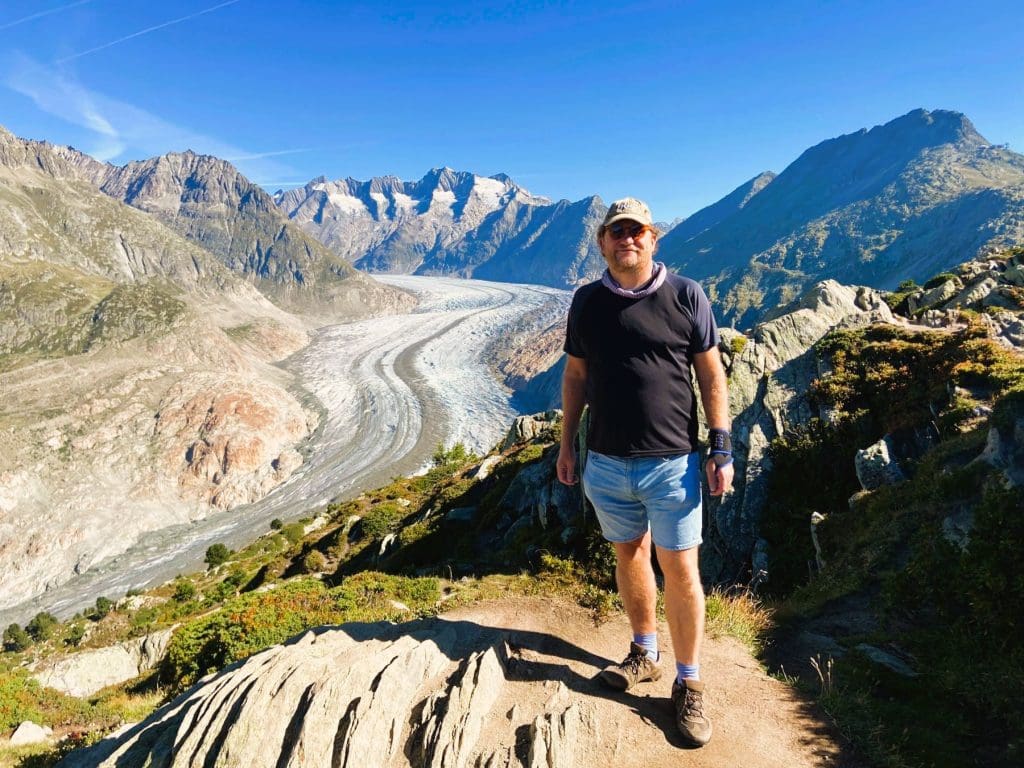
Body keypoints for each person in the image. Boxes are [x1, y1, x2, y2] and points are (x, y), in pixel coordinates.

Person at [556, 197, 734, 747]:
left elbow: (711, 375)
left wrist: (720, 445)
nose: (625, 239)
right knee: (628, 555)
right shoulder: (587, 302)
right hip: (607, 463)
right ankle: (643, 652)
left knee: (680, 570)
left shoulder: (685, 295)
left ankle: (689, 682)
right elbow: (575, 378)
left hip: (673, 464)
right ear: (602, 242)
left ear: (653, 238)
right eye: (616, 232)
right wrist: (567, 446)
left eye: (636, 231)